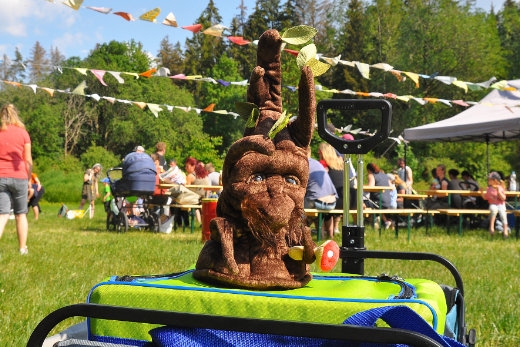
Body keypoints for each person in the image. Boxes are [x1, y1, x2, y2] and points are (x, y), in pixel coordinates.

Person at [0, 104, 32, 255]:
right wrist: (29, 179)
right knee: (20, 214)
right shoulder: (23, 133)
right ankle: (22, 248)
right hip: (19, 176)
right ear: (15, 114)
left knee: (3, 214)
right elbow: (28, 159)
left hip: (0, 176)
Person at [305, 147, 337, 239]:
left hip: (318, 202)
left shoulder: (304, 164)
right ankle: (327, 237)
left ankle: (300, 235)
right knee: (318, 211)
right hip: (332, 202)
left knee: (297, 209)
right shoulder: (317, 163)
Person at [481, 172, 509, 238]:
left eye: (489, 179)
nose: (488, 180)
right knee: (493, 209)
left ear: (495, 181)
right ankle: (491, 227)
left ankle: (505, 230)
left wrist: (499, 191)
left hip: (501, 204)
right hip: (493, 204)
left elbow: (503, 198)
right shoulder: (489, 189)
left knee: (503, 214)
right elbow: (485, 197)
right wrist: (482, 192)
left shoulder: (500, 188)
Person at [366, 163, 392, 229]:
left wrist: (362, 186)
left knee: (363, 204)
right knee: (378, 206)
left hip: (378, 200)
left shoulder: (371, 175)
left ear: (368, 170)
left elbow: (370, 187)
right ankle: (385, 222)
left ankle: (372, 222)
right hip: (388, 201)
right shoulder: (385, 175)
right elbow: (391, 188)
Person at [185, 157, 210, 224]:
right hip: (205, 197)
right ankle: (202, 223)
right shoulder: (204, 175)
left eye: (187, 166)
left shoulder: (190, 176)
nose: (185, 168)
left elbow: (186, 190)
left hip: (195, 199)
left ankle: (183, 224)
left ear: (193, 166)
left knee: (177, 202)